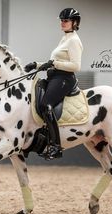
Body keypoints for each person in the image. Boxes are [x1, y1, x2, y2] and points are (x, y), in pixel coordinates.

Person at [24, 8, 83, 159]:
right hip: (55, 76)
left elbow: (76, 66)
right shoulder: (65, 39)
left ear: (74, 22)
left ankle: (56, 146)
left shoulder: (74, 41)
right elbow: (55, 62)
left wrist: (54, 63)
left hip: (64, 79)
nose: (62, 23)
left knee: (45, 105)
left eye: (66, 21)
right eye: (62, 21)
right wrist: (37, 64)